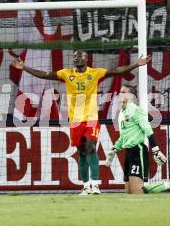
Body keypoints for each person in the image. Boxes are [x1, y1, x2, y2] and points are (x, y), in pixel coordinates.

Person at [11, 51, 151, 195]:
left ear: (86, 58)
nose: (77, 58)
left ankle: (95, 185)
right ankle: (86, 187)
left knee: (90, 147)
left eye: (80, 56)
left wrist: (136, 64)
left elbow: (116, 70)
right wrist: (24, 67)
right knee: (82, 153)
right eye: (75, 56)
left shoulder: (95, 73)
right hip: (75, 121)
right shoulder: (66, 73)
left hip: (91, 118)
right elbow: (45, 74)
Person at [105, 84, 170, 194]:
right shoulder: (122, 113)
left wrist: (156, 150)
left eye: (124, 92)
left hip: (137, 150)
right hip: (128, 152)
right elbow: (124, 136)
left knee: (137, 191)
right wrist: (114, 149)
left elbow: (147, 129)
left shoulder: (136, 110)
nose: (121, 94)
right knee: (129, 192)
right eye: (120, 92)